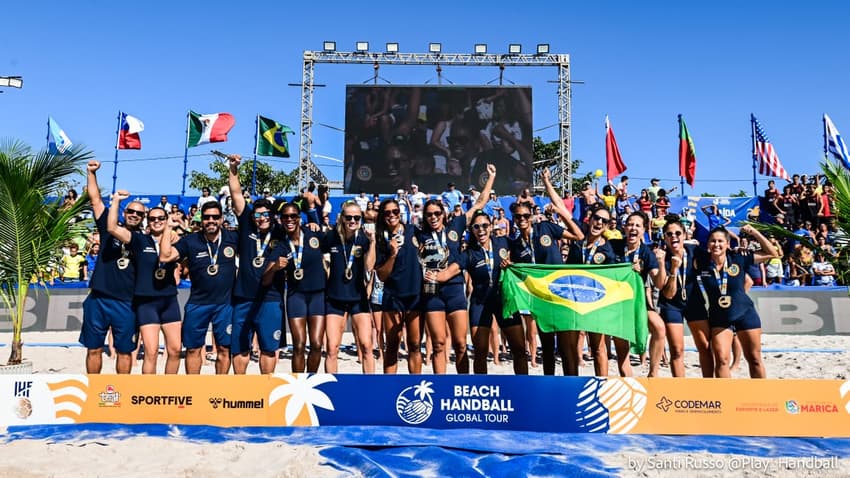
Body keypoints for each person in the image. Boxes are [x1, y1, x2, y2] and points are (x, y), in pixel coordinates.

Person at [417, 163, 497, 374]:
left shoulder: (456, 226)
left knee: (461, 345)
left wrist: (491, 177)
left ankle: (462, 384)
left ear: (443, 214)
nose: (433, 217)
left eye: (436, 213)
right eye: (429, 214)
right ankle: (441, 387)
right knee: (438, 344)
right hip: (432, 291)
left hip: (454, 289)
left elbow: (480, 202)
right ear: (424, 217)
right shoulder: (419, 234)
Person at [511, 168, 585, 376]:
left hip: (559, 294)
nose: (522, 219)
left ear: (532, 214)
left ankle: (571, 387)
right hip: (539, 299)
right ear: (515, 219)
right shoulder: (516, 244)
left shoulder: (546, 228)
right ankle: (550, 387)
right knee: (547, 349)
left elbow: (578, 236)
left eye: (526, 215)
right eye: (518, 217)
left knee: (566, 347)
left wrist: (563, 214)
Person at [160, 201, 239, 374]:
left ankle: (220, 390)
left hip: (225, 304)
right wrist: (168, 228)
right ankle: (193, 389)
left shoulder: (233, 238)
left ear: (222, 218)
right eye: (206, 217)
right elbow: (165, 257)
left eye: (215, 217)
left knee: (225, 349)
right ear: (201, 219)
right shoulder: (190, 241)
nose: (211, 220)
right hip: (198, 304)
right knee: (193, 349)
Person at [107, 192, 181, 374]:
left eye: (161, 218)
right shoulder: (139, 239)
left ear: (166, 219)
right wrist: (116, 201)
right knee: (151, 351)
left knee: (175, 350)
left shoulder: (176, 240)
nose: (157, 221)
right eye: (152, 218)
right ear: (147, 221)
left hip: (169, 300)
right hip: (147, 302)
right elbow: (112, 228)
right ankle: (148, 393)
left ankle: (170, 392)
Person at [226, 155, 286, 374]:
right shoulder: (246, 226)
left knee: (269, 349)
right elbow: (236, 194)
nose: (261, 218)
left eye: (266, 214)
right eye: (258, 214)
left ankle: (265, 391)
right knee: (240, 348)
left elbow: (297, 222)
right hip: (244, 296)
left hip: (270, 298)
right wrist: (233, 169)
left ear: (272, 215)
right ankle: (241, 391)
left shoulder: (281, 233)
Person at [79, 160, 138, 374]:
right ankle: (94, 391)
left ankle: (120, 394)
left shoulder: (143, 240)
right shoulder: (108, 227)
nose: (134, 215)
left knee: (124, 351)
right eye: (130, 211)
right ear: (124, 213)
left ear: (143, 218)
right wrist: (91, 173)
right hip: (99, 299)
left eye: (139, 214)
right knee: (93, 349)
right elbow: (95, 200)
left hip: (126, 302)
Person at [697, 225, 778, 378]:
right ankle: (725, 399)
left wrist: (754, 232)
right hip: (720, 317)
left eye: (721, 241)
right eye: (713, 241)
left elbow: (772, 253)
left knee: (754, 359)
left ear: (728, 244)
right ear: (707, 244)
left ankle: (761, 397)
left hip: (745, 313)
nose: (716, 244)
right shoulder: (701, 262)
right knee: (721, 360)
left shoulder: (738, 257)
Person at [263, 202, 327, 373]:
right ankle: (298, 384)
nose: (289, 219)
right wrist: (275, 267)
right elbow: (265, 279)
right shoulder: (281, 245)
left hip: (318, 296)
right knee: (298, 345)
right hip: (296, 296)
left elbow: (335, 242)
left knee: (316, 344)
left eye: (293, 216)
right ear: (281, 219)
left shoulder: (313, 234)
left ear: (299, 218)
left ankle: (311, 380)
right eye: (285, 217)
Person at [463, 211, 527, 374]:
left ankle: (524, 390)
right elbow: (454, 269)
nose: (481, 230)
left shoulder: (503, 242)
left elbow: (524, 258)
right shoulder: (470, 252)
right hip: (480, 301)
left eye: (485, 225)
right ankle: (481, 390)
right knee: (480, 352)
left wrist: (512, 263)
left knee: (519, 348)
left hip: (504, 299)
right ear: (472, 230)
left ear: (491, 227)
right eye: (476, 226)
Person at [610, 212, 665, 377]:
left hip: (638, 302)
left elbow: (659, 283)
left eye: (637, 225)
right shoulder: (613, 245)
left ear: (643, 230)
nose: (633, 228)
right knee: (622, 349)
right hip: (617, 303)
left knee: (659, 328)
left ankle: (653, 374)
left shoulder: (646, 253)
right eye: (630, 224)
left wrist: (661, 263)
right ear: (624, 227)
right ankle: (629, 382)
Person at [565, 204, 618, 376]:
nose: (599, 222)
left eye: (604, 220)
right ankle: (571, 387)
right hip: (574, 303)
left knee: (598, 349)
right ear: (590, 219)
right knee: (571, 349)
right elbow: (567, 273)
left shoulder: (609, 250)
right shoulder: (577, 244)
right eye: (597, 218)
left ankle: (602, 388)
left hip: (597, 305)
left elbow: (613, 279)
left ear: (608, 225)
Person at [656, 215, 712, 377]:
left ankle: (711, 387)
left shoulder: (694, 252)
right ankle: (680, 390)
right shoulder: (662, 257)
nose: (674, 237)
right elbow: (668, 293)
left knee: (705, 346)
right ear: (664, 237)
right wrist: (673, 270)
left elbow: (717, 258)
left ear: (685, 235)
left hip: (694, 302)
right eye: (669, 234)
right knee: (677, 350)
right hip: (671, 305)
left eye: (678, 233)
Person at [324, 201, 376, 374]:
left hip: (358, 298)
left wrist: (373, 242)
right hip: (335, 298)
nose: (352, 220)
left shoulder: (364, 238)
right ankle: (332, 391)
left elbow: (369, 267)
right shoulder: (331, 237)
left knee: (367, 346)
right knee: (332, 348)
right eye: (349, 217)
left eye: (356, 217)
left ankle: (370, 388)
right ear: (341, 218)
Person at [375, 198, 423, 374]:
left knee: (415, 345)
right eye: (387, 213)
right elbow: (381, 275)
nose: (392, 215)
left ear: (400, 212)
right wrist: (392, 255)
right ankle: (389, 388)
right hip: (392, 297)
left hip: (415, 295)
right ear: (383, 216)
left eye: (395, 211)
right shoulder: (381, 240)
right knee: (392, 346)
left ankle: (416, 384)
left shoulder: (413, 231)